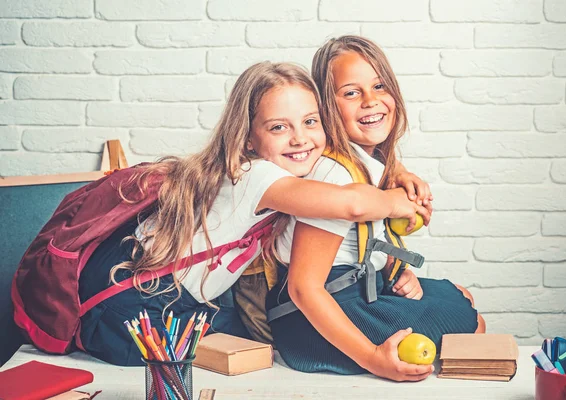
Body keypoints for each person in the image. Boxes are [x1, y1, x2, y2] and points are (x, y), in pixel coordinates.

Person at [77, 61, 430, 366]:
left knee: (259, 351)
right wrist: (398, 200)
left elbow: (350, 165)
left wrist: (394, 169)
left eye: (310, 121)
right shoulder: (255, 175)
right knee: (256, 359)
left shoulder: (283, 174)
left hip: (187, 302)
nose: (300, 139)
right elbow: (350, 203)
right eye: (279, 127)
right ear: (247, 137)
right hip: (132, 307)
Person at [265, 36, 485, 382]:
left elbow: (365, 244)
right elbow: (304, 287)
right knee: (470, 321)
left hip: (358, 290)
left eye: (379, 86)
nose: (371, 101)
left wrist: (395, 270)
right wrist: (373, 359)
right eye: (351, 93)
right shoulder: (335, 175)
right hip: (311, 321)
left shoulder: (367, 164)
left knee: (460, 298)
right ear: (326, 108)